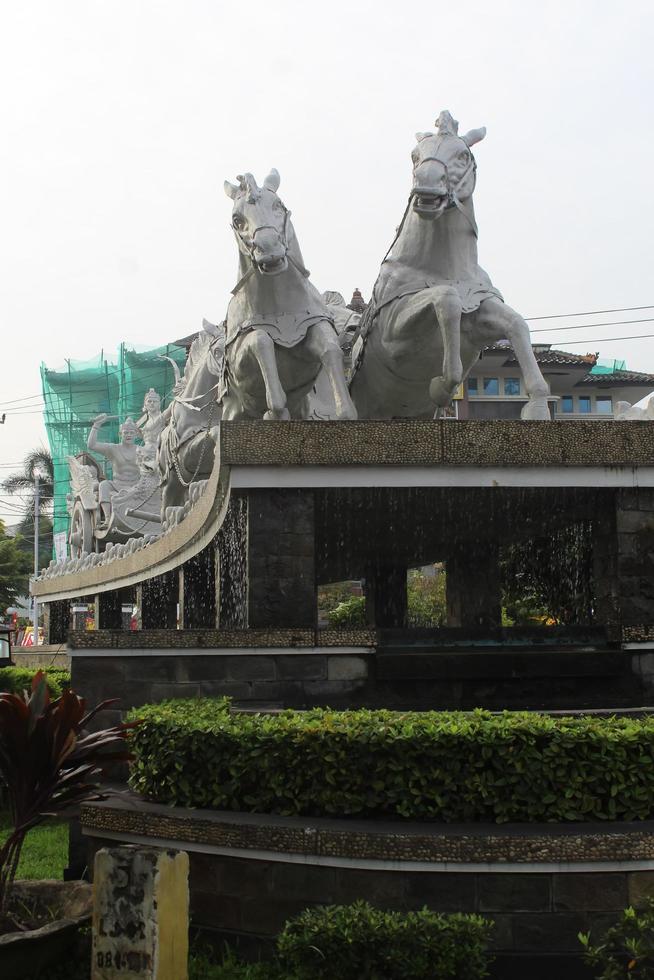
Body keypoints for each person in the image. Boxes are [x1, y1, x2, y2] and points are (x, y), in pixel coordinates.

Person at [87, 414, 141, 527]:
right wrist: (96, 425)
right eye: (126, 432)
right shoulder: (113, 448)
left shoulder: (141, 451)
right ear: (120, 434)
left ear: (136, 434)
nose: (129, 435)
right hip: (117, 485)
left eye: (131, 432)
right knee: (104, 485)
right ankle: (107, 519)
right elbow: (91, 445)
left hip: (136, 486)